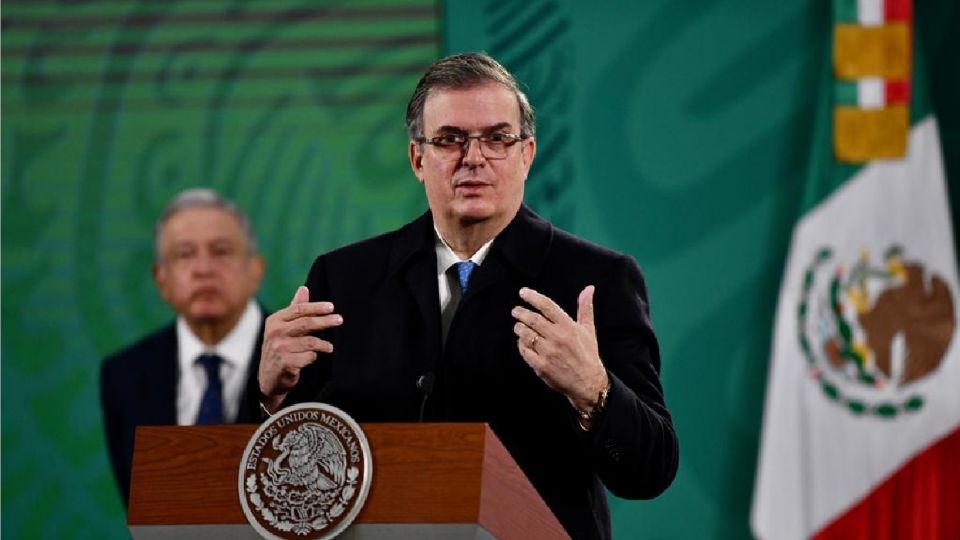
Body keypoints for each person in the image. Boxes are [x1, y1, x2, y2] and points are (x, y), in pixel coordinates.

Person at [258, 53, 678, 539]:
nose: (473, 157)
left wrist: (595, 392)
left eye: (498, 138)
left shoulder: (596, 279)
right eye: (450, 139)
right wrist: (271, 399)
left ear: (527, 155)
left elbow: (652, 469)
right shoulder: (344, 279)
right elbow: (290, 474)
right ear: (418, 158)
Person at [100, 188, 268, 506]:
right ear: (161, 278)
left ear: (255, 270)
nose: (203, 269)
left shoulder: (305, 360)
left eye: (221, 251)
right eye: (185, 254)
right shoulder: (124, 374)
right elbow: (143, 506)